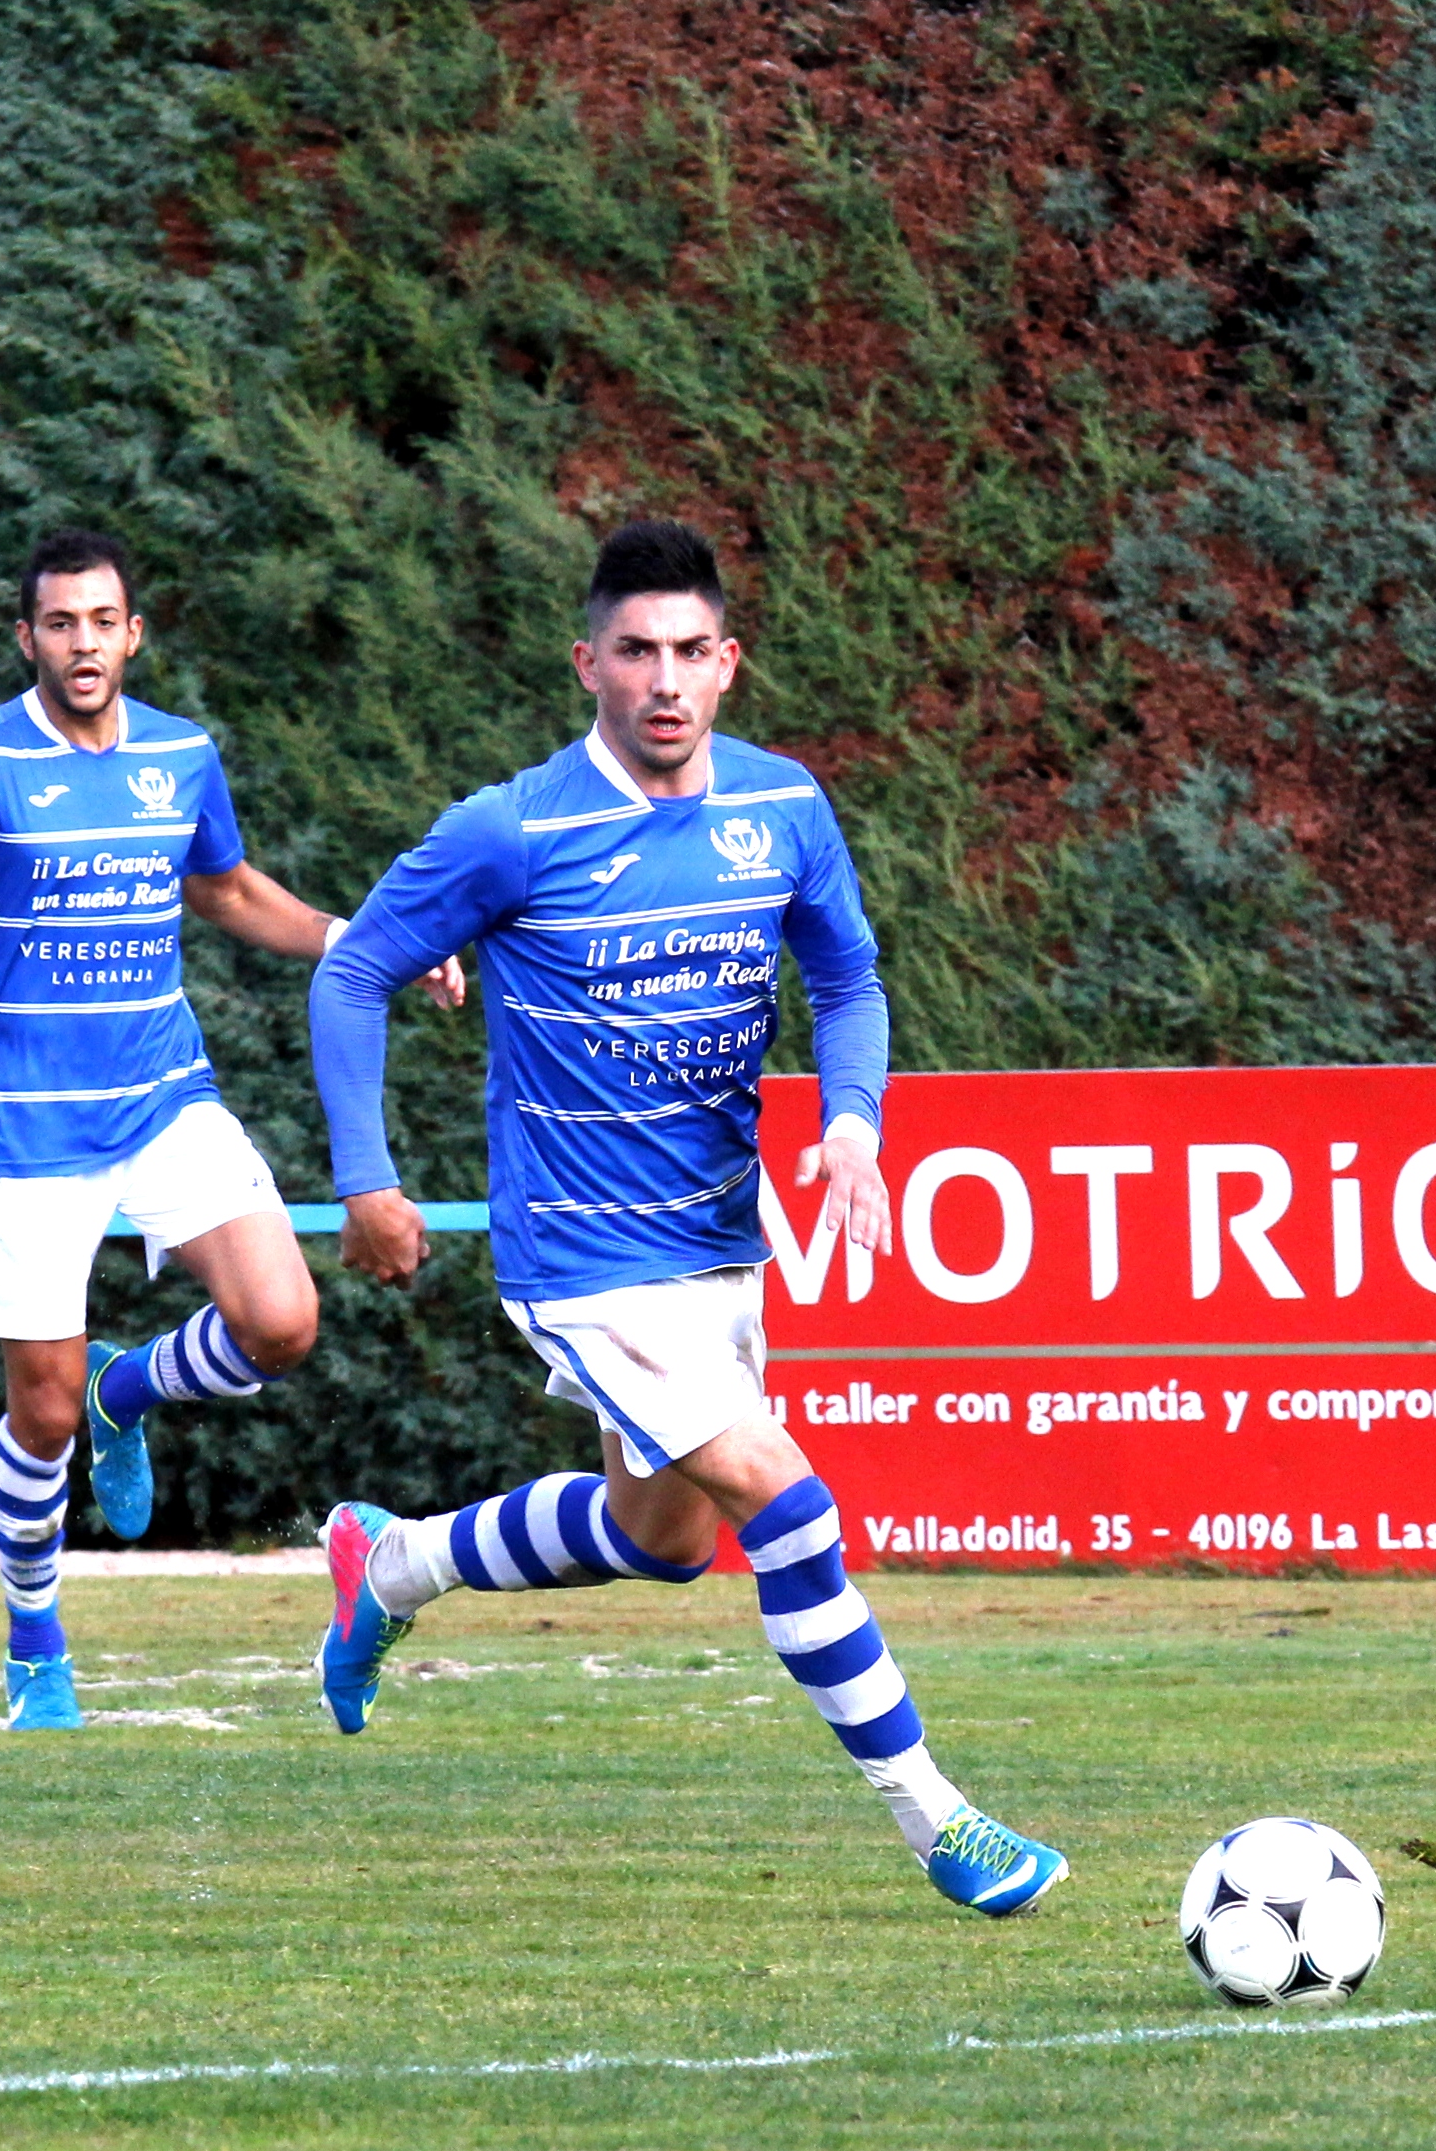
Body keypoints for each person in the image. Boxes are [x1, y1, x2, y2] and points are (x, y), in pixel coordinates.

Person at [307, 519, 1067, 1916]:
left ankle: (390, 1561)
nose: (662, 679)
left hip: (716, 1236)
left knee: (660, 1537)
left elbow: (847, 978)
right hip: (584, 1256)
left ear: (728, 664)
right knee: (789, 1504)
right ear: (586, 662)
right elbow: (351, 972)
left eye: (688, 653)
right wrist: (366, 1175)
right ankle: (938, 1821)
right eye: (635, 652)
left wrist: (851, 1122)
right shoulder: (512, 829)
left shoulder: (781, 808)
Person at [0, 529, 459, 1731]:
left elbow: (232, 894)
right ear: (25, 638)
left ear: (133, 634)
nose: (82, 643)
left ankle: (127, 1394)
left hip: (161, 1096)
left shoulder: (182, 755)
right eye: (59, 624)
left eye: (103, 622)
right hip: (25, 1126)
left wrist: (370, 944)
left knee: (283, 1322)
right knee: (38, 1411)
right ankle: (36, 1646)